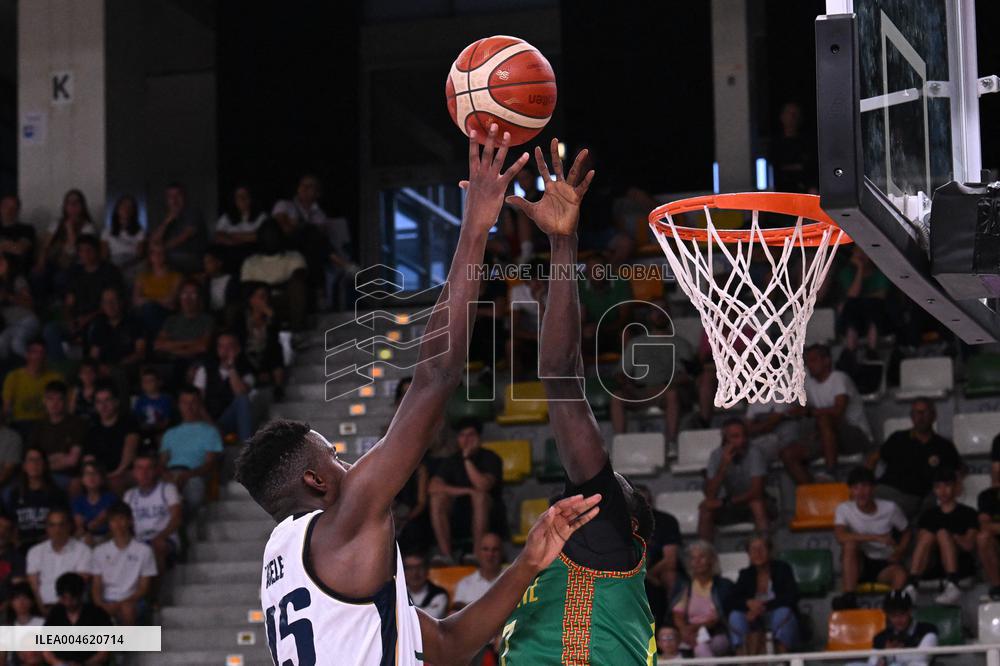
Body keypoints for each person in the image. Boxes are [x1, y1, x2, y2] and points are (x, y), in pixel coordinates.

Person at [236, 128, 602, 665]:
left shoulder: (284, 565)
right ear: (314, 481)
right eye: (334, 457)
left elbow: (448, 646)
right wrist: (475, 226)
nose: (348, 464)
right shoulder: (341, 523)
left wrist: (527, 563)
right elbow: (434, 375)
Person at [500, 138, 657, 664]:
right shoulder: (553, 567)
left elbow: (562, 378)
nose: (597, 482)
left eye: (610, 488)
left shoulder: (602, 538)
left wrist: (562, 244)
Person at [780, 343, 873, 483]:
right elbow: (800, 408)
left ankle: (831, 472)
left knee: (824, 419)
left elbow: (837, 411)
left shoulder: (839, 378)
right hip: (827, 438)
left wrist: (809, 412)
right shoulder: (809, 385)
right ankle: (814, 491)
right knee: (788, 454)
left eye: (813, 360)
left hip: (856, 436)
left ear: (827, 361)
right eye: (807, 362)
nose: (809, 365)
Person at [428, 419, 506, 562]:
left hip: (489, 514)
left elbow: (483, 485)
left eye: (470, 435)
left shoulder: (490, 458)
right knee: (437, 499)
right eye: (462, 435)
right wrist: (468, 491)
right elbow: (433, 487)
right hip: (458, 512)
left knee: (479, 497)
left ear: (479, 438)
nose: (466, 439)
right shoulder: (451, 460)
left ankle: (477, 554)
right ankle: (446, 556)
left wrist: (467, 459)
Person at [872, 398, 962, 519]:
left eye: (924, 412)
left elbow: (957, 470)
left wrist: (956, 483)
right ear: (911, 416)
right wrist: (867, 483)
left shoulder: (944, 446)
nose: (920, 417)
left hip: (912, 496)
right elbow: (873, 459)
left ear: (934, 416)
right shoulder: (898, 438)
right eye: (916, 413)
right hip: (885, 489)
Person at [833, 467, 909, 609]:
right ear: (850, 490)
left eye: (865, 486)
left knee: (900, 575)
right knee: (849, 544)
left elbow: (906, 531)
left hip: (884, 562)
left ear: (873, 488)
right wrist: (875, 537)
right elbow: (840, 536)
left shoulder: (890, 508)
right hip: (860, 562)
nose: (860, 492)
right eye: (855, 488)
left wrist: (900, 551)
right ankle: (849, 597)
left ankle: (893, 608)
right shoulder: (844, 508)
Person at [43, 234, 125, 361]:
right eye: (81, 251)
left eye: (88, 250)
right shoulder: (75, 272)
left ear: (97, 251)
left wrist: (88, 318)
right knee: (51, 329)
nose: (85, 254)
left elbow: (113, 304)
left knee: (97, 327)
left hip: (100, 318)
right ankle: (59, 365)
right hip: (77, 319)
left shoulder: (110, 272)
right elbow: (69, 302)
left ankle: (90, 362)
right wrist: (70, 320)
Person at [905, 468, 979, 605]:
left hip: (961, 565)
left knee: (943, 533)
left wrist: (952, 538)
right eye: (938, 487)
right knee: (930, 535)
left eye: (947, 485)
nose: (943, 491)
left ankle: (953, 583)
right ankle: (912, 585)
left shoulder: (969, 513)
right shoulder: (928, 515)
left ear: (955, 487)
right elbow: (922, 544)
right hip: (932, 565)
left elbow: (969, 545)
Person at [727, 534, 800, 655]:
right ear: (748, 554)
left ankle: (782, 659)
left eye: (762, 548)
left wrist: (762, 608)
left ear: (770, 551)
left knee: (783, 612)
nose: (758, 553)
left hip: (775, 615)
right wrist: (747, 603)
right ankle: (742, 659)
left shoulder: (783, 569)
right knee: (735, 616)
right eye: (753, 550)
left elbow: (791, 596)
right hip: (753, 619)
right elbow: (731, 600)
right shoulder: (745, 574)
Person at [699, 419, 770, 540]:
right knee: (706, 508)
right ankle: (704, 549)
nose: (741, 440)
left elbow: (756, 492)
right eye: (735, 437)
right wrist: (723, 465)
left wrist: (725, 502)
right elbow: (710, 494)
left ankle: (764, 545)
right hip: (732, 503)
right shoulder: (716, 455)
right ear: (725, 439)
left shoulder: (754, 452)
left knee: (756, 503)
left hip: (753, 501)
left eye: (744, 435)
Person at [90, 502, 156, 625]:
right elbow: (96, 585)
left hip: (133, 600)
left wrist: (120, 604)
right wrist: (100, 604)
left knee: (127, 609)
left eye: (121, 519)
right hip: (107, 599)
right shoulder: (99, 551)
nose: (118, 524)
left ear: (130, 521)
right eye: (113, 520)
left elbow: (143, 587)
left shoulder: (144, 550)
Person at [159, 386, 223, 510]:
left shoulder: (210, 432)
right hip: (171, 474)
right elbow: (162, 462)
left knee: (192, 490)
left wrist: (187, 475)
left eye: (193, 402)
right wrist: (167, 475)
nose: (189, 407)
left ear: (199, 405)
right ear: (179, 405)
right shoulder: (170, 433)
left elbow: (210, 464)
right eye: (185, 402)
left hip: (195, 476)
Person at [239, 219, 308, 330]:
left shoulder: (294, 257)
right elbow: (247, 288)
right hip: (261, 301)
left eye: (273, 235)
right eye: (266, 235)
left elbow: (298, 279)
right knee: (252, 297)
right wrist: (268, 289)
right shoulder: (250, 262)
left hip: (286, 300)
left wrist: (264, 286)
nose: (270, 238)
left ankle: (297, 329)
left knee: (297, 287)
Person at [670, 541, 733, 658]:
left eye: (702, 557)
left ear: (711, 560)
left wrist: (696, 628)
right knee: (699, 647)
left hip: (717, 634)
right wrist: (684, 630)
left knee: (701, 647)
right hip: (690, 634)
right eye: (693, 558)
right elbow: (677, 614)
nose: (697, 561)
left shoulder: (724, 585)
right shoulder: (684, 586)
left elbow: (718, 618)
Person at [123, 452, 182, 575]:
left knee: (156, 546)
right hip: (139, 540)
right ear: (134, 472)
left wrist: (161, 536)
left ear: (155, 471)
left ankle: (160, 587)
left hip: (165, 539)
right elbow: (124, 522)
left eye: (149, 468)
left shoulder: (167, 489)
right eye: (140, 468)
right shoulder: (129, 495)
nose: (144, 472)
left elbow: (176, 518)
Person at [192, 332, 255, 443]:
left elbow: (240, 392)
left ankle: (246, 447)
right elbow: (198, 402)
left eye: (229, 346)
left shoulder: (246, 371)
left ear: (238, 349)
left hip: (234, 421)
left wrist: (231, 367)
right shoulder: (205, 370)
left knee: (243, 399)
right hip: (210, 420)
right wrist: (211, 426)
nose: (225, 350)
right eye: (221, 346)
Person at [26, 508, 92, 611]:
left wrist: (57, 611)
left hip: (72, 609)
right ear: (47, 528)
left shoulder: (83, 550)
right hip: (41, 607)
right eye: (52, 525)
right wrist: (43, 609)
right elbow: (34, 587)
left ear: (69, 526)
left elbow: (79, 584)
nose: (57, 530)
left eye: (61, 525)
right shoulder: (35, 552)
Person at [3, 448, 67, 552]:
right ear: (24, 466)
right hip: (21, 548)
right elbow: (10, 523)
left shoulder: (56, 494)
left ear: (45, 465)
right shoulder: (15, 494)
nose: (34, 464)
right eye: (31, 460)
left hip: (49, 547)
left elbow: (65, 523)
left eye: (38, 460)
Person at [42, 572, 112, 666]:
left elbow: (104, 653)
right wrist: (61, 664)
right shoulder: (55, 614)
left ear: (81, 594)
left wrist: (84, 664)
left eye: (72, 598)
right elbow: (47, 650)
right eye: (64, 598)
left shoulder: (98, 615)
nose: (68, 603)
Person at [28, 381, 87, 490]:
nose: (54, 404)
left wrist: (45, 462)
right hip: (41, 476)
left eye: (59, 399)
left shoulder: (77, 423)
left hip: (68, 476)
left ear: (66, 401)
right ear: (44, 401)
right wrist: (60, 457)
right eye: (50, 399)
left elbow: (72, 461)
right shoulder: (39, 426)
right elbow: (32, 459)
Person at [636, 483, 682, 623]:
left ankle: (671, 619)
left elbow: (670, 560)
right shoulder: (621, 523)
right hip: (634, 570)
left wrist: (649, 574)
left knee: (670, 575)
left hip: (658, 570)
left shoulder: (666, 521)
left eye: (646, 502)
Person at [83, 382, 140, 494]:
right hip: (101, 475)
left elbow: (129, 454)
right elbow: (89, 459)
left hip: (125, 472)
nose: (103, 406)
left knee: (115, 482)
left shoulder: (128, 423)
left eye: (107, 400)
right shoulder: (92, 429)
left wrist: (115, 474)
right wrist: (94, 476)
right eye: (99, 402)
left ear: (116, 402)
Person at [2, 340, 64, 433]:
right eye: (34, 352)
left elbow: (63, 406)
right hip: (20, 424)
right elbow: (6, 406)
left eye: (42, 352)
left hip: (46, 424)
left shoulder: (56, 378)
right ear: (27, 355)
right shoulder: (14, 377)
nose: (38, 356)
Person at [153, 279, 214, 370]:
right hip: (171, 363)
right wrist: (190, 343)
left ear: (199, 298)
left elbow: (202, 347)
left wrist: (171, 348)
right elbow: (158, 345)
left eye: (193, 294)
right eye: (184, 294)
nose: (187, 298)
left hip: (195, 363)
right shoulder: (171, 320)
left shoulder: (207, 319)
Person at [149, 182, 207, 274]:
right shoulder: (164, 216)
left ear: (184, 197)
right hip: (168, 257)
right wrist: (167, 222)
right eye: (170, 196)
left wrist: (161, 249)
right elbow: (154, 240)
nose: (174, 200)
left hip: (191, 256)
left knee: (159, 260)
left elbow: (184, 236)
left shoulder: (193, 212)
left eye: (178, 195)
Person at [868, 591, 938, 666]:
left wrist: (890, 655)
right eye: (893, 615)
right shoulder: (880, 637)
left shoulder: (927, 630)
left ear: (910, 611)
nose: (898, 619)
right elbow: (872, 663)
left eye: (902, 614)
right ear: (887, 615)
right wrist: (884, 657)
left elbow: (922, 657)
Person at [85, 286, 146, 371]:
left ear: (121, 302)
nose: (110, 305)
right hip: (104, 370)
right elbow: (94, 355)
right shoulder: (98, 325)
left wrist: (119, 366)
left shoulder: (134, 323)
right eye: (106, 302)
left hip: (127, 369)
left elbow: (140, 352)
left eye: (113, 301)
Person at [132, 240, 182, 338]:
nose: (157, 256)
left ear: (165, 255)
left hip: (166, 315)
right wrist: (159, 301)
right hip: (145, 313)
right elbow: (136, 301)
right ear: (150, 256)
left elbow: (171, 301)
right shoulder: (142, 277)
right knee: (144, 311)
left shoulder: (176, 277)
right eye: (154, 253)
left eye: (161, 253)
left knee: (149, 309)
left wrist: (147, 300)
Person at [214, 184, 266, 271]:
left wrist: (231, 235)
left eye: (245, 196)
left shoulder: (261, 216)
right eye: (238, 197)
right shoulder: (226, 217)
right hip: (230, 253)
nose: (242, 199)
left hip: (252, 255)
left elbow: (259, 236)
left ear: (251, 198)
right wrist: (236, 241)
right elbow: (218, 236)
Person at [0, 252, 41, 362]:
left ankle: (36, 365)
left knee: (17, 343)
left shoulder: (17, 280)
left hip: (27, 320)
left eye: (2, 261)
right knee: (1, 343)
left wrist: (9, 297)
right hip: (11, 325)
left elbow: (29, 303)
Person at [451, 533, 504, 612]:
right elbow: (455, 613)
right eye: (485, 549)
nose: (490, 554)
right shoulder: (464, 584)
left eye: (495, 549)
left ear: (502, 553)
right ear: (478, 553)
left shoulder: (513, 579)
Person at [72, 462, 117, 546]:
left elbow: (99, 521)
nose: (91, 477)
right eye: (87, 473)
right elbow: (79, 526)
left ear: (102, 479)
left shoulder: (111, 499)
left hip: (107, 537)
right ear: (82, 479)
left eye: (95, 473)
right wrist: (86, 533)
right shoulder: (78, 501)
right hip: (85, 537)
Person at [103, 194, 146, 281]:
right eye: (123, 206)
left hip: (132, 261)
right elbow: (104, 255)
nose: (126, 209)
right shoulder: (107, 231)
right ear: (117, 209)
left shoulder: (139, 231)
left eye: (130, 207)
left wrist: (125, 265)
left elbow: (140, 254)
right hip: (114, 260)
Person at [402, 550, 449, 619]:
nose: (415, 573)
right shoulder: (397, 595)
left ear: (427, 570)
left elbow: (433, 617)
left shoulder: (439, 594)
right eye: (410, 568)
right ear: (403, 571)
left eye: (419, 567)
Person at [977, 465, 1000, 600]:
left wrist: (995, 527)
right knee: (983, 538)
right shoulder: (987, 496)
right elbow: (985, 525)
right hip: (996, 546)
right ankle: (997, 586)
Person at [132, 368, 173, 441]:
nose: (147, 383)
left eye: (151, 380)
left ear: (159, 382)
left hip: (161, 431)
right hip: (143, 431)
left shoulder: (166, 399)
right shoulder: (140, 400)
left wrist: (156, 426)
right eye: (144, 381)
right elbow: (136, 418)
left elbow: (167, 421)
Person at [0, 194, 37, 278]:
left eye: (13, 208)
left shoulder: (27, 229)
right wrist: (8, 245)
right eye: (6, 206)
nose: (9, 211)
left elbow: (19, 249)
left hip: (17, 271)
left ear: (17, 210)